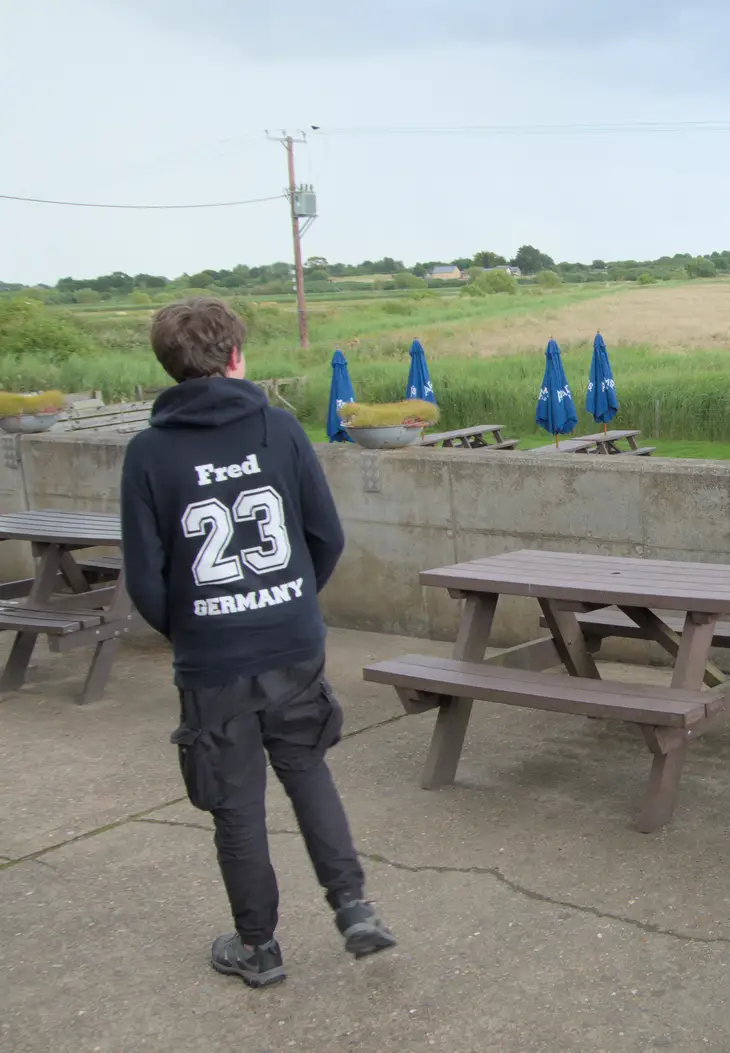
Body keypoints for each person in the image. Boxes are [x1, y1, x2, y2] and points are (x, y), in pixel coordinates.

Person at [120, 297, 395, 987]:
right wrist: (291, 603)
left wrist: (193, 628)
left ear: (169, 366)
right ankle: (353, 907)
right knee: (308, 771)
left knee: (235, 804)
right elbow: (325, 536)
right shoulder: (278, 427)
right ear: (236, 356)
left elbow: (145, 575)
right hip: (293, 640)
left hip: (212, 660)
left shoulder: (148, 451)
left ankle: (259, 948)